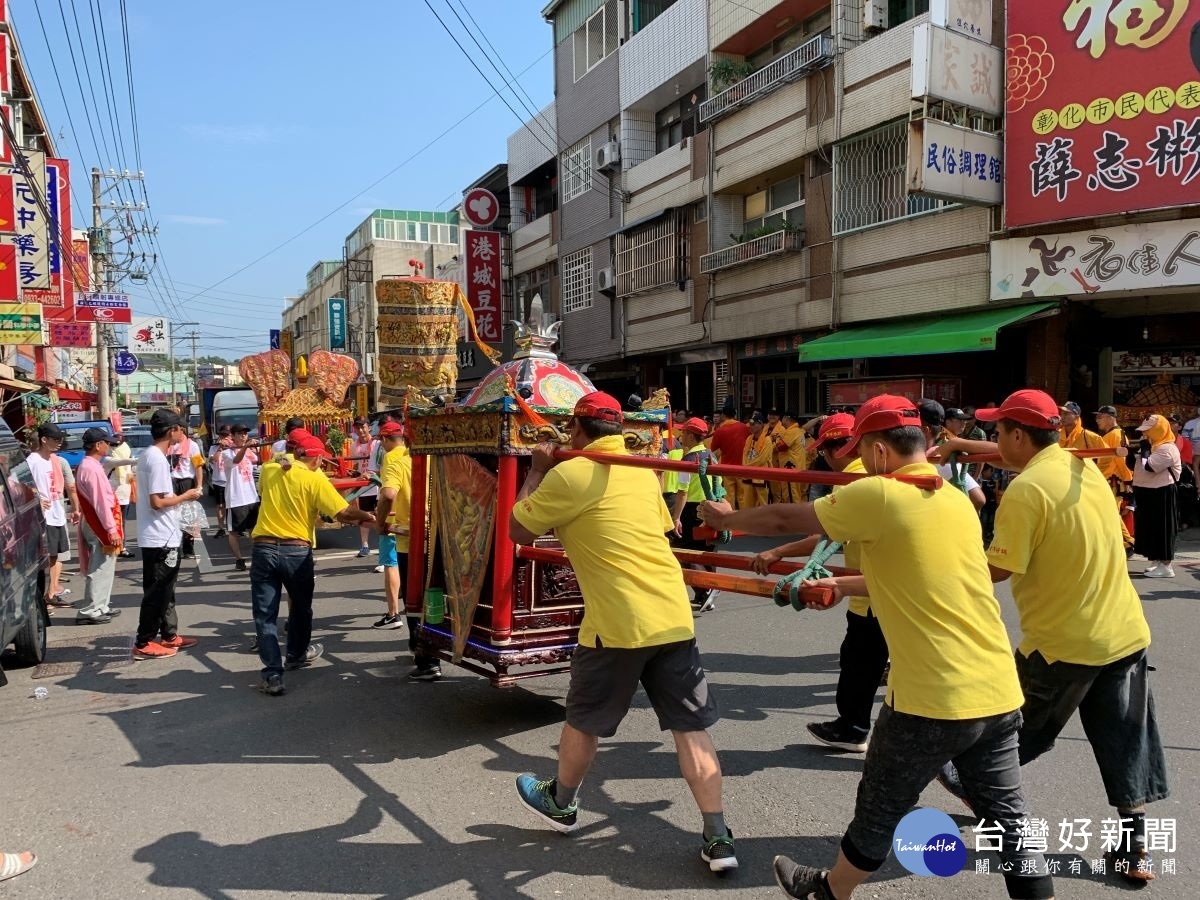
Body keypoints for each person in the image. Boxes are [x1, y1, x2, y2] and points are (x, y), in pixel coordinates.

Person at [699, 395, 1053, 900]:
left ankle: (830, 890)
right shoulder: (952, 497)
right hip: (997, 688)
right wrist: (841, 586)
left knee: (881, 804)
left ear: (881, 452)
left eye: (863, 452)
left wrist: (726, 518)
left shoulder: (881, 494)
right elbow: (916, 577)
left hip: (934, 697)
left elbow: (786, 520)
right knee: (1011, 818)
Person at [937, 389, 1167, 884]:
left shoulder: (1024, 493)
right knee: (1126, 742)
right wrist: (962, 448)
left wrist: (938, 556)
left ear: (1020, 435)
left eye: (998, 432)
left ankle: (992, 811)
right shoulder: (1078, 466)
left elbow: (996, 569)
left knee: (1008, 735)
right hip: (1124, 633)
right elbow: (1012, 457)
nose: (993, 440)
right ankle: (1135, 852)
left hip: (1063, 645)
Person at [510, 391, 737, 873]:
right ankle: (719, 836)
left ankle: (562, 802)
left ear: (577, 430)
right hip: (673, 613)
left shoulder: (569, 472)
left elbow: (518, 529)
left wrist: (535, 471)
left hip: (616, 622)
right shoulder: (642, 469)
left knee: (584, 719)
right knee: (689, 728)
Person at [752, 413, 888, 754]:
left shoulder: (855, 480)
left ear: (836, 449)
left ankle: (854, 728)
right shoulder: (883, 473)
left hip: (872, 592)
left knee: (860, 662)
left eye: (824, 452)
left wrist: (777, 550)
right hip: (890, 587)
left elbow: (824, 533)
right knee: (881, 662)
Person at [250, 434, 375, 696]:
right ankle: (295, 655)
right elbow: (342, 512)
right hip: (296, 550)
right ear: (317, 458)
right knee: (301, 607)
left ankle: (272, 674)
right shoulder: (314, 477)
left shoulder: (271, 469)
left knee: (265, 615)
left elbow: (275, 463)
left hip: (263, 547)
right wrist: (369, 516)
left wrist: (286, 460)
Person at [134, 409, 202, 660]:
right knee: (158, 591)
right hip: (160, 536)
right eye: (180, 429)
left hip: (161, 534)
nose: (182, 433)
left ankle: (169, 634)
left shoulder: (151, 455)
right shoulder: (157, 459)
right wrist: (187, 496)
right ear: (171, 430)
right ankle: (144, 641)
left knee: (166, 589)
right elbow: (158, 502)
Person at [18, 423, 80, 607]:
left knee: (55, 556)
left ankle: (51, 593)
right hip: (43, 517)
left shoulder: (52, 460)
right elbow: (17, 485)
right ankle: (43, 597)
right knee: (46, 557)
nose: (59, 443)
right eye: (55, 440)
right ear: (44, 440)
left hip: (56, 513)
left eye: (61, 439)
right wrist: (35, 499)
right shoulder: (32, 461)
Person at [670, 416, 720, 614]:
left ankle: (706, 588)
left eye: (683, 433)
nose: (681, 436)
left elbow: (682, 491)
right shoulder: (711, 456)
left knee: (687, 551)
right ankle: (708, 590)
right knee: (707, 552)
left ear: (691, 436)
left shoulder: (689, 459)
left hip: (692, 509)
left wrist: (676, 517)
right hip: (711, 506)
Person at [73, 429, 124, 625]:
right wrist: (111, 529)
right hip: (99, 523)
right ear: (97, 445)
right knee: (100, 565)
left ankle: (100, 605)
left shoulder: (90, 465)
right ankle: (91, 609)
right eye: (107, 443)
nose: (109, 446)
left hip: (98, 520)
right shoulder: (91, 468)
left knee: (105, 564)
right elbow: (101, 502)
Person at [369, 421, 410, 634]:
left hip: (397, 521)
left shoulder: (391, 458)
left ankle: (393, 612)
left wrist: (381, 521)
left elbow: (389, 494)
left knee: (390, 564)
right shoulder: (416, 454)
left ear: (385, 439)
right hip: (424, 522)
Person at [1132, 414, 1182, 578]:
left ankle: (1166, 565)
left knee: (1163, 528)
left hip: (1162, 492)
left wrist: (1145, 448)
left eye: (1149, 431)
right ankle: (1156, 560)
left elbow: (1150, 467)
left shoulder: (1167, 448)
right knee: (1150, 528)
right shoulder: (1152, 446)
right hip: (1146, 492)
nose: (1145, 434)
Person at [917, 399, 986, 510]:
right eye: (959, 420)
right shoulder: (942, 444)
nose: (964, 423)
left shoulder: (938, 454)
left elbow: (978, 499)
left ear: (923, 429)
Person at [1094, 405, 1135, 552]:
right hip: (1109, 478)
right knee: (1109, 512)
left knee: (1110, 511)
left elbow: (1120, 460)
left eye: (1101, 416)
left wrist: (1128, 480)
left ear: (1111, 418)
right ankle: (1125, 541)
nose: (1097, 420)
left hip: (1114, 480)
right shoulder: (1113, 434)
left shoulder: (1116, 435)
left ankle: (1128, 541)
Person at [222, 425, 260, 571]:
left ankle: (257, 555)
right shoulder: (227, 453)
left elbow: (258, 460)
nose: (243, 436)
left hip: (251, 496)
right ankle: (239, 559)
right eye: (240, 434)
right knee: (234, 532)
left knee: (254, 529)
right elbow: (237, 460)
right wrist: (245, 448)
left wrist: (253, 447)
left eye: (245, 434)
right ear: (233, 436)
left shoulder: (249, 452)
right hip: (236, 498)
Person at [169, 426, 205, 559]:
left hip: (186, 481)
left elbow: (198, 466)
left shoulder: (193, 445)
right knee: (171, 514)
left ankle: (188, 548)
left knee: (188, 515)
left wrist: (199, 485)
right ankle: (173, 546)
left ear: (182, 431)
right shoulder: (169, 444)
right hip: (171, 480)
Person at [349, 418, 381, 558]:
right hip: (363, 486)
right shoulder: (354, 446)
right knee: (364, 515)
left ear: (369, 427)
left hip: (377, 484)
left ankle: (382, 543)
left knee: (381, 514)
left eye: (363, 427)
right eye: (358, 428)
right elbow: (356, 465)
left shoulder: (377, 443)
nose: (361, 430)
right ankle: (365, 545)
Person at [708, 406, 749, 507]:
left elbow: (713, 448)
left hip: (727, 467)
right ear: (735, 415)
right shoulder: (744, 427)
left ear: (723, 415)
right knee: (743, 496)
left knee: (729, 496)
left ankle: (729, 517)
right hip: (742, 466)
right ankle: (744, 517)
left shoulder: (720, 430)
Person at [1168, 413, 1198, 527]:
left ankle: (1184, 521)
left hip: (1181, 472)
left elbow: (1186, 461)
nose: (1170, 425)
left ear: (1180, 427)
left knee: (1183, 497)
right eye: (1169, 423)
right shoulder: (1162, 441)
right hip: (1166, 472)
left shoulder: (1185, 442)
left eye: (1173, 423)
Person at [108, 432, 135, 558]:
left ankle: (121, 547)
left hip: (124, 492)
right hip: (112, 494)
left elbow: (130, 469)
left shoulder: (127, 451)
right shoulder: (109, 456)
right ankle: (111, 546)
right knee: (112, 522)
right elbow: (120, 462)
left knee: (121, 522)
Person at [740, 411, 773, 510]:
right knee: (747, 503)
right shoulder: (749, 438)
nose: (751, 426)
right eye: (750, 424)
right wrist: (745, 467)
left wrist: (746, 467)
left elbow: (762, 459)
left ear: (761, 424)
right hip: (748, 475)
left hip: (761, 476)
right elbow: (744, 455)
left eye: (753, 424)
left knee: (763, 504)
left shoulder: (767, 440)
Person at [773, 412, 807, 503]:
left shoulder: (792, 431)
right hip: (796, 467)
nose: (781, 420)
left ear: (787, 418)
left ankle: (793, 516)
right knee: (795, 495)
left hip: (791, 468)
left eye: (783, 417)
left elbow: (780, 447)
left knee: (791, 496)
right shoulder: (798, 430)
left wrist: (776, 439)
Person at [208, 425, 232, 539]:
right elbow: (213, 460)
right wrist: (220, 448)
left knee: (232, 505)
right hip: (219, 480)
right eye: (223, 435)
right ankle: (221, 527)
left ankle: (234, 527)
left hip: (231, 480)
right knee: (221, 505)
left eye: (227, 435)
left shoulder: (235, 447)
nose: (225, 437)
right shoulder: (214, 448)